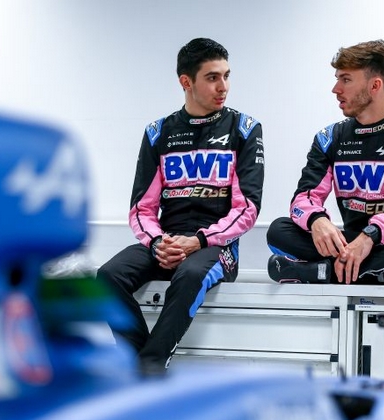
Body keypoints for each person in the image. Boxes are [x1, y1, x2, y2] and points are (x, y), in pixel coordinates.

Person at [97, 38, 264, 375]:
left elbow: (247, 208)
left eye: (226, 76)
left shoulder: (244, 129)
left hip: (216, 248)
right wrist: (158, 242)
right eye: (212, 78)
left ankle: (151, 364)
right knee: (106, 276)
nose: (223, 87)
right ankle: (138, 361)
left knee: (189, 274)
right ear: (186, 82)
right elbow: (141, 208)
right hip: (167, 243)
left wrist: (199, 241)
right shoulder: (158, 132)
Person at [267, 39, 384, 286]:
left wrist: (372, 234)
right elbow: (303, 199)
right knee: (278, 230)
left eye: (345, 79)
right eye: (337, 79)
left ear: (375, 85)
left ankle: (324, 273)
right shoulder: (329, 138)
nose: (335, 89)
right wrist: (316, 220)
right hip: (350, 244)